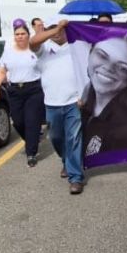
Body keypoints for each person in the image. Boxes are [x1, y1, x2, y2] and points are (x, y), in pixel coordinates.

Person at [31, 20, 85, 194]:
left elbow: (85, 72)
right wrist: (56, 28)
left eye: (60, 30)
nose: (57, 33)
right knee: (56, 138)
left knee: (74, 139)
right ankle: (66, 161)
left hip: (73, 103)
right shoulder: (44, 49)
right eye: (53, 30)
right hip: (52, 104)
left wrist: (82, 95)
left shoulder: (76, 48)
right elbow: (32, 42)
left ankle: (76, 177)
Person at [0, 18, 46, 167]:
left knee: (32, 121)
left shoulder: (35, 50)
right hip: (15, 90)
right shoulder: (8, 52)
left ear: (28, 34)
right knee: (18, 122)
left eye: (22, 33)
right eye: (17, 34)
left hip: (34, 89)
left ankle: (31, 154)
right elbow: (2, 70)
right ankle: (32, 139)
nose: (20, 36)